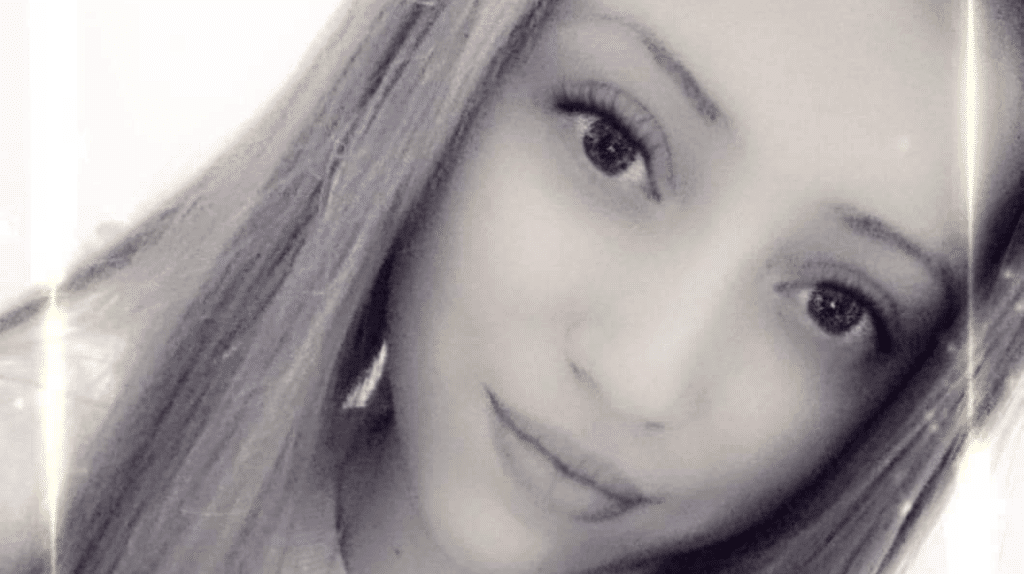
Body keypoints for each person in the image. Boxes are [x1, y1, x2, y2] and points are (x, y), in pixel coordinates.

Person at [2, 0, 1023, 572]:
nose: (642, 378)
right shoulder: (38, 484)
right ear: (442, 75)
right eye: (611, 144)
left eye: (835, 308)